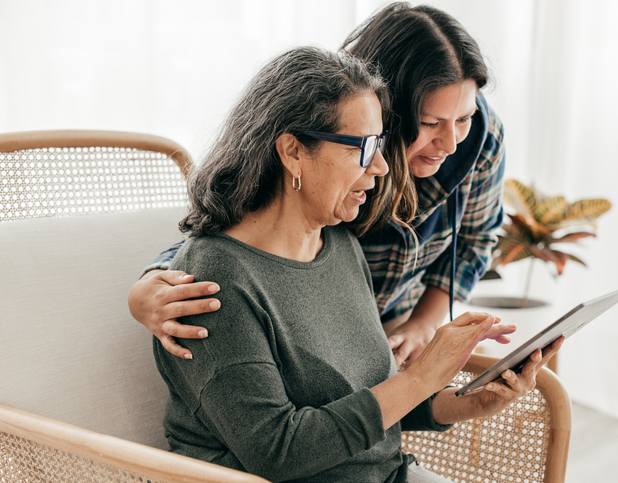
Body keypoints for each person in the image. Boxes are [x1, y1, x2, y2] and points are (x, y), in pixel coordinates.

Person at [154, 44, 561, 483]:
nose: (383, 167)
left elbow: (367, 402)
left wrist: (464, 402)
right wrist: (421, 376)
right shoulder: (214, 282)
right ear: (292, 151)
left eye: (381, 146)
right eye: (364, 148)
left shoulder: (340, 244)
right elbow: (277, 451)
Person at [129, 2, 507, 369]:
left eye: (464, 118)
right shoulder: (336, 147)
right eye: (428, 122)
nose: (451, 143)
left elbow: (477, 237)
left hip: (393, 328)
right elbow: (244, 228)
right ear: (382, 110)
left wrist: (424, 324)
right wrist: (149, 287)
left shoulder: (482, 136)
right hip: (314, 337)